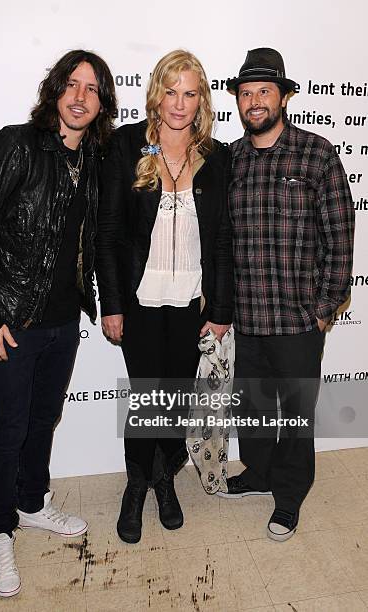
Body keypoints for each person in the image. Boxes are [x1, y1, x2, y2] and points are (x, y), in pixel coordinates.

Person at [0, 49, 116, 596]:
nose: (79, 97)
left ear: (101, 104)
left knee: (44, 420)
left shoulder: (93, 160)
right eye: (72, 85)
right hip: (12, 324)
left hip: (64, 322)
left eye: (92, 90)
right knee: (10, 429)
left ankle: (31, 502)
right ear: (54, 91)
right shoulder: (13, 146)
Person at [96, 49, 233, 544]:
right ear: (157, 92)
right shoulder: (127, 144)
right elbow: (108, 231)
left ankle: (164, 481)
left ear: (201, 99)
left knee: (175, 401)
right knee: (147, 397)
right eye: (171, 91)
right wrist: (110, 303)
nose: (179, 103)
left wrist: (220, 309)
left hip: (190, 302)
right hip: (140, 300)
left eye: (190, 93)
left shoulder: (216, 157)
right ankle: (137, 487)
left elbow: (222, 239)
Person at [220, 48, 355, 541]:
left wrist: (324, 308)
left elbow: (340, 237)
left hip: (299, 321)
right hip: (248, 318)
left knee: (296, 414)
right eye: (246, 93)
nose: (254, 101)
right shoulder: (230, 158)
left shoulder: (317, 153)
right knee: (252, 408)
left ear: (284, 96)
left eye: (264, 92)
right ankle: (257, 474)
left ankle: (289, 496)